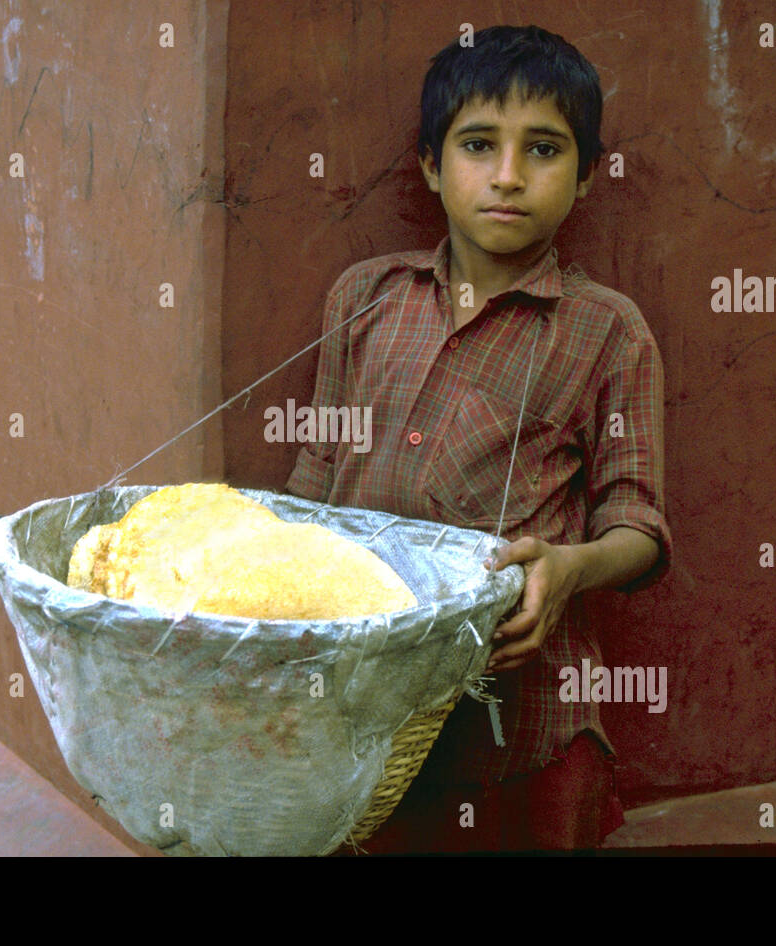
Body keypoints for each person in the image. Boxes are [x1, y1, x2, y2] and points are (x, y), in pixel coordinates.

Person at [285, 24, 674, 853]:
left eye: (542, 149)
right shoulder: (364, 299)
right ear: (430, 165)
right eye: (476, 145)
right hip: (367, 716)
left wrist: (570, 569)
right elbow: (316, 471)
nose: (507, 176)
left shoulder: (609, 332)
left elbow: (637, 526)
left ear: (587, 175)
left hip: (524, 733)